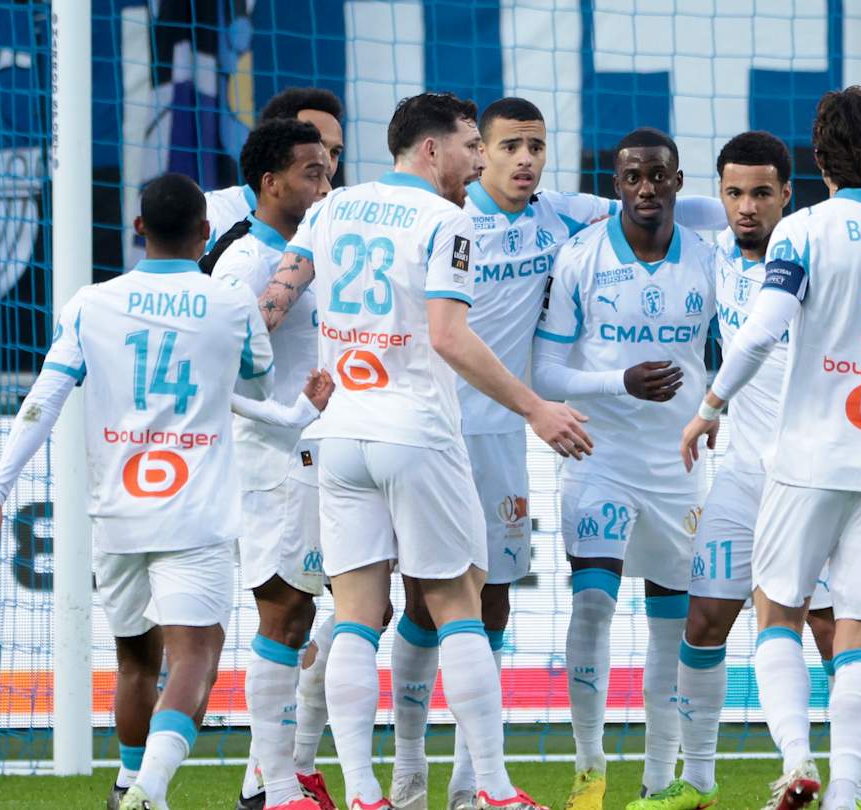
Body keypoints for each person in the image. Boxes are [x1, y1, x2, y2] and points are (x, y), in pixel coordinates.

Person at [385, 96, 727, 810]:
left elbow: (675, 208)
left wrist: (748, 213)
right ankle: (407, 769)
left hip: (506, 436)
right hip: (429, 429)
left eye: (535, 147)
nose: (524, 160)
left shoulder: (561, 217)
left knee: (491, 605)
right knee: (420, 602)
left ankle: (469, 783)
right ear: (481, 152)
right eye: (509, 146)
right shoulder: (446, 219)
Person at [258, 92, 592, 810]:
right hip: (416, 432)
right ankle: (493, 789)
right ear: (432, 149)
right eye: (471, 146)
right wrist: (535, 407)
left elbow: (271, 305)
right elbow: (447, 336)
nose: (478, 161)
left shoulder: (333, 207)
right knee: (459, 604)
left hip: (341, 434)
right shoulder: (447, 221)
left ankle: (363, 791)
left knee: (356, 617)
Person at [0, 174, 333, 810]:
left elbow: (44, 399)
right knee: (196, 657)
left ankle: (126, 786)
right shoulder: (230, 303)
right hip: (195, 514)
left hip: (118, 514)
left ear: (139, 229)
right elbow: (249, 388)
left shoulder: (90, 303)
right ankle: (151, 788)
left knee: (136, 663)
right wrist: (295, 414)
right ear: (207, 233)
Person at [680, 86, 861, 810]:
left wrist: (710, 405)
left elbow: (761, 329)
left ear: (819, 159)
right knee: (860, 634)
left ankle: (795, 763)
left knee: (777, 611)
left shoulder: (805, 230)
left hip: (812, 457)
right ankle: (851, 791)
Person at [627, 131, 841, 810]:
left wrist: (710, 405)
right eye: (734, 193)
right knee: (704, 621)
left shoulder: (813, 252)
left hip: (809, 473)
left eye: (761, 193)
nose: (747, 206)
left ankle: (846, 780)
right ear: (718, 193)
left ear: (788, 195)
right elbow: (642, 201)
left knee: (829, 629)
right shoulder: (716, 246)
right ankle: (698, 783)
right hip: (743, 473)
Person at [532, 127, 717, 810]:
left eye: (658, 175)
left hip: (678, 466)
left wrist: (719, 407)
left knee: (672, 625)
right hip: (600, 456)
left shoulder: (707, 259)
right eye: (633, 177)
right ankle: (590, 768)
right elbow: (545, 371)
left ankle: (659, 779)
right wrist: (620, 383)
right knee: (592, 603)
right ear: (616, 185)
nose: (646, 188)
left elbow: (738, 349)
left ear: (677, 182)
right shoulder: (580, 257)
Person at [208, 118, 335, 810]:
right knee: (284, 616)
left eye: (330, 168)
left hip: (320, 455)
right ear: (270, 182)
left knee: (342, 611)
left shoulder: (312, 249)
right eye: (312, 172)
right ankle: (271, 786)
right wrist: (285, 417)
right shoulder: (244, 262)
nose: (326, 183)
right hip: (273, 462)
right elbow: (214, 375)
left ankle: (274, 775)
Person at [206, 87, 347, 250]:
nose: (327, 162)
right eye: (316, 145)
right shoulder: (214, 213)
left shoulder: (339, 227)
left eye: (334, 152)